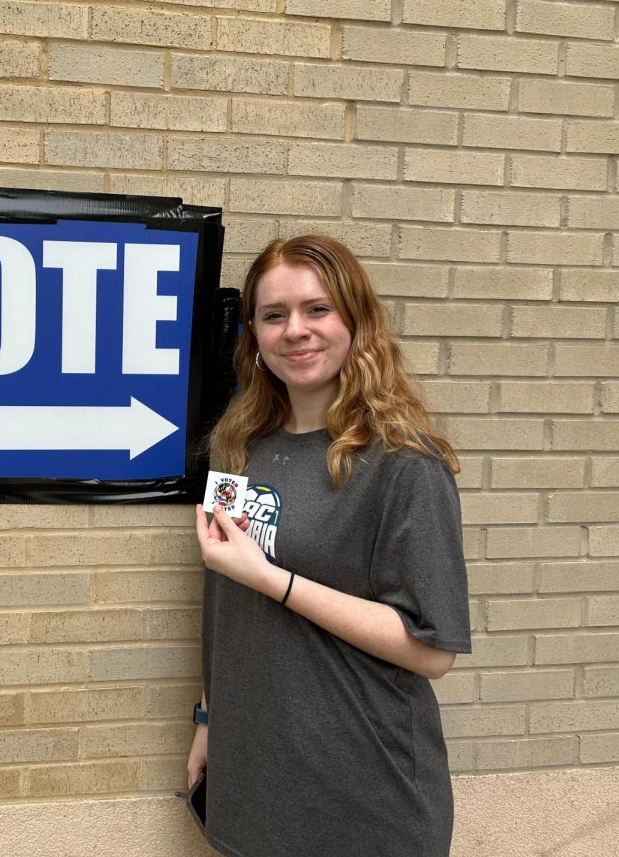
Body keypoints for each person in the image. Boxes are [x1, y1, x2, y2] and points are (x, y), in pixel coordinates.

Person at [188, 235, 471, 857]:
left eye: (318, 309)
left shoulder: (402, 463)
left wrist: (275, 580)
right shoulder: (239, 448)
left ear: (357, 321)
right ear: (254, 336)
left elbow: (432, 651)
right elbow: (226, 603)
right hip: (254, 785)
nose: (296, 330)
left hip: (363, 797)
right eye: (274, 314)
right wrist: (209, 720)